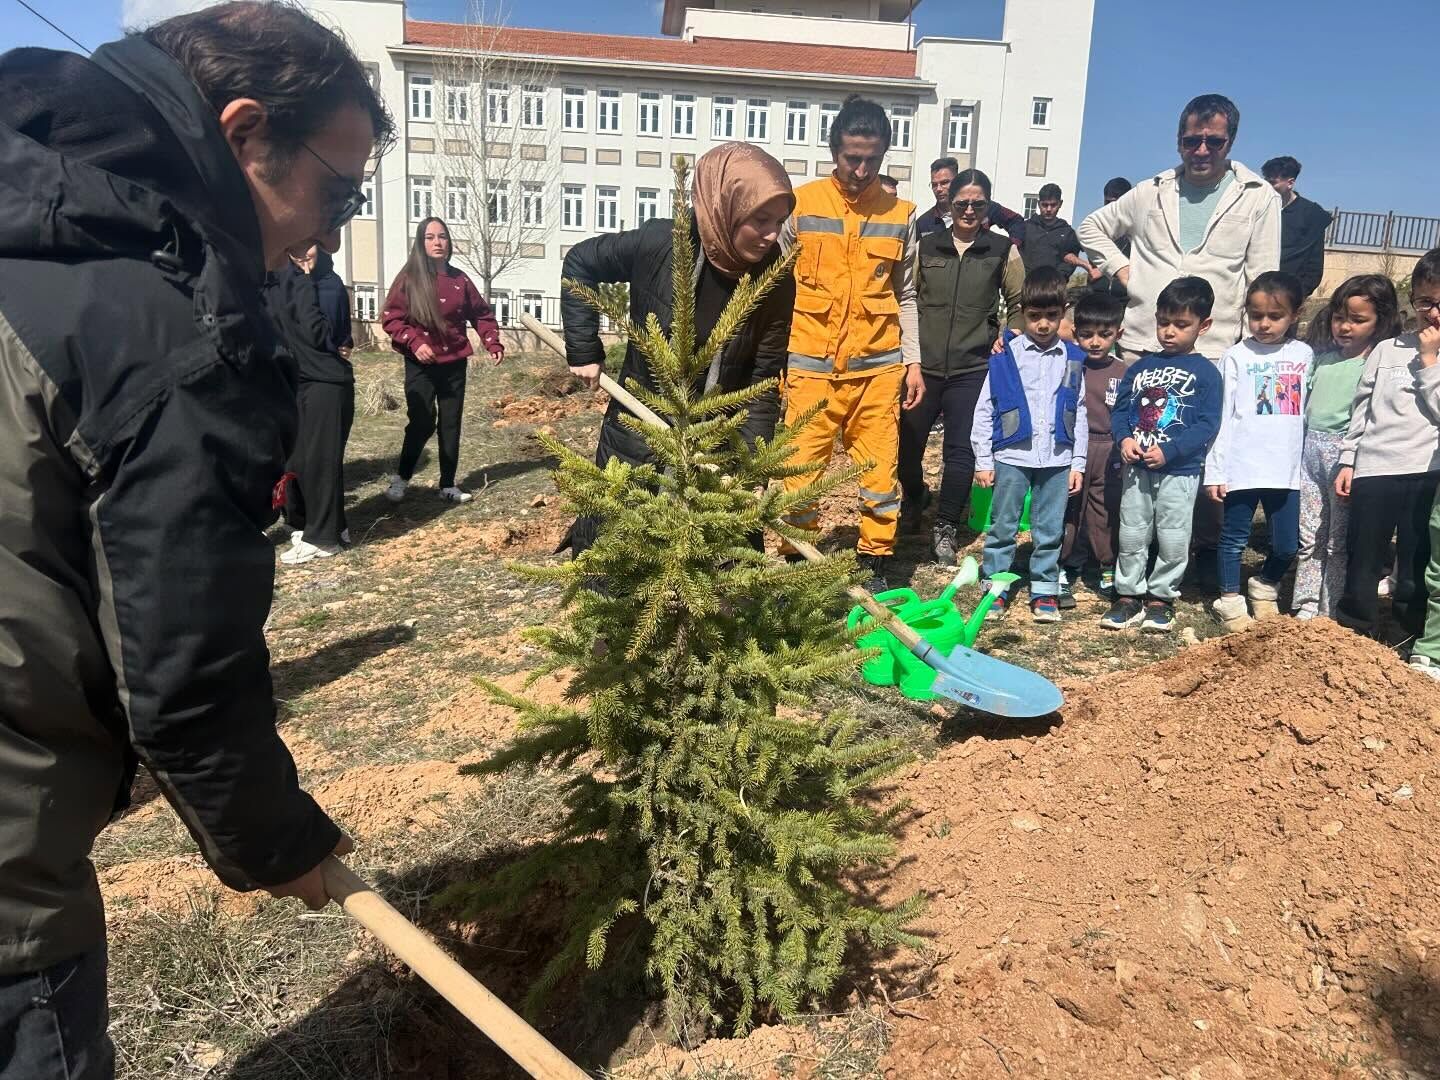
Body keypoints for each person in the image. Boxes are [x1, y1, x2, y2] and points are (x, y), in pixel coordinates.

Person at [0, 3, 391, 1074]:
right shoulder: (163, 322)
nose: (331, 229)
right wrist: (281, 844)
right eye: (339, 190)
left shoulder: (30, 207)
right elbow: (184, 678)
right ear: (243, 132)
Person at [1079, 94, 1281, 587]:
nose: (1202, 149)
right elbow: (1092, 226)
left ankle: (1200, 554)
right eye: (1193, 140)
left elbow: (1264, 277)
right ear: (1179, 140)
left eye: (1214, 140)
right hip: (1146, 342)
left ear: (1230, 141)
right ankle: (1123, 558)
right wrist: (1124, 269)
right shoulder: (1151, 191)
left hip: (1212, 351)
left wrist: (1256, 346)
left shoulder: (1257, 196)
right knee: (1131, 449)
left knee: (1201, 454)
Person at [560, 142, 796, 555]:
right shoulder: (662, 244)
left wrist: (750, 466)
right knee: (614, 556)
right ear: (727, 206)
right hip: (637, 432)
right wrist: (583, 348)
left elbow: (764, 378)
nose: (773, 234)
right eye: (761, 220)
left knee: (726, 574)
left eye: (780, 221)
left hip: (717, 445)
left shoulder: (773, 277)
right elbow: (581, 261)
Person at [779, 95, 924, 591]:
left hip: (878, 370)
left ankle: (875, 563)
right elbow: (776, 285)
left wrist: (915, 364)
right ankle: (798, 562)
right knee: (799, 474)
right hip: (810, 367)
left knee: (881, 474)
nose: (861, 170)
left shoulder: (902, 216)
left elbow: (906, 295)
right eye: (851, 158)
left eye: (872, 160)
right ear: (833, 150)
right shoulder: (799, 205)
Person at [898, 168, 1024, 564]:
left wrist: (1011, 333)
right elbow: (905, 296)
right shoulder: (926, 245)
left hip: (973, 368)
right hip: (923, 365)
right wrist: (907, 356)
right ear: (948, 204)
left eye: (978, 204)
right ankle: (915, 496)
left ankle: (946, 525)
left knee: (961, 452)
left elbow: (1021, 302)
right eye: (962, 203)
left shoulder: (1002, 250)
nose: (969, 210)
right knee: (906, 447)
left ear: (988, 205)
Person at [1100, 277, 1223, 632]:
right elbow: (1121, 411)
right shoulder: (1139, 367)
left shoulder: (1207, 374)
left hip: (1180, 472)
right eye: (1163, 322)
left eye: (1181, 325)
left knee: (1173, 535)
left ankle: (1161, 598)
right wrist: (1123, 439)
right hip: (1136, 469)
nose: (1169, 332)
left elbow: (1206, 424)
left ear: (1205, 326)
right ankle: (1128, 595)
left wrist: (1170, 451)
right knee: (1132, 532)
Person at [1334, 248, 1440, 645]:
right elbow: (1362, 407)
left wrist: (1430, 362)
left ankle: (1404, 633)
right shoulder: (1387, 349)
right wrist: (1349, 460)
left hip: (1426, 471)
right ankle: (1354, 630)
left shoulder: (1432, 355)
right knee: (1363, 555)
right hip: (1375, 469)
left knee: (1414, 558)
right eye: (1425, 301)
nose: (1432, 313)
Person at [971, 266, 1087, 623]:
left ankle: (1045, 590)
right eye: (1034, 316)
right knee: (1003, 524)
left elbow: (1078, 410)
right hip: (1012, 455)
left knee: (1049, 528)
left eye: (1051, 316)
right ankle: (995, 587)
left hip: (1056, 458)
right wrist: (983, 460)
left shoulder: (1072, 358)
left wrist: (1077, 462)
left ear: (1063, 311)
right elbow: (985, 407)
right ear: (1022, 313)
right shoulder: (1006, 355)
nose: (1042, 324)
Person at [1203, 272, 1312, 630]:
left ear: (1295, 315)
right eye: (1256, 314)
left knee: (1286, 546)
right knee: (1233, 539)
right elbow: (1223, 415)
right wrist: (1216, 471)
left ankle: (1265, 586)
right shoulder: (1236, 356)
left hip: (1286, 471)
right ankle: (1230, 600)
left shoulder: (1304, 355)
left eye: (1275, 316)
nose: (1263, 324)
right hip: (1242, 467)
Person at [1291, 276, 1402, 620]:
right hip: (1309, 451)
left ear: (1379, 322)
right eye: (1341, 317)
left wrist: (1350, 461)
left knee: (1336, 540)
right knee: (1309, 535)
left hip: (1344, 455)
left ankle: (1329, 608)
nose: (1346, 327)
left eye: (1358, 320)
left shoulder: (1374, 365)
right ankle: (1306, 604)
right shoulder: (1321, 360)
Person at [381, 217, 504, 505]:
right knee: (423, 420)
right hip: (420, 364)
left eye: (442, 237)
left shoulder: (460, 280)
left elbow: (481, 314)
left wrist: (491, 341)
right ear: (420, 243)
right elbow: (391, 319)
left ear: (449, 242)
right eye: (430, 237)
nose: (437, 242)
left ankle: (448, 484)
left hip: (454, 363)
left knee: (450, 422)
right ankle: (402, 477)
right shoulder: (409, 278)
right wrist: (414, 341)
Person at [275, 245, 356, 565]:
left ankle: (324, 539)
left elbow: (319, 334)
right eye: (294, 244)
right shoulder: (284, 280)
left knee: (320, 462)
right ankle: (324, 525)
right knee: (299, 460)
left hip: (327, 384)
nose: (301, 252)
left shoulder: (328, 284)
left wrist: (305, 283)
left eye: (309, 244)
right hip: (299, 383)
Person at [1059, 292, 1128, 604]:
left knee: (1104, 509)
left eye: (1105, 335)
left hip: (1109, 447)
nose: (1096, 342)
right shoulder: (1069, 365)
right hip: (1073, 447)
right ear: (1075, 334)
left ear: (1118, 333)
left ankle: (1107, 565)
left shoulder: (1125, 371)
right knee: (1069, 508)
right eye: (1087, 335)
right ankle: (1063, 566)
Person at [1262, 156, 1333, 300]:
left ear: (1290, 183)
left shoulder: (1311, 215)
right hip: (1257, 290)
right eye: (1266, 181)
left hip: (1288, 296)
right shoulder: (1258, 209)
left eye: (1273, 182)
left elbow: (1314, 265)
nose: (1267, 187)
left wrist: (1297, 295)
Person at [916, 155, 1026, 246]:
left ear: (956, 181)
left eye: (944, 182)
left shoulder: (982, 206)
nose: (939, 189)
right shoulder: (924, 223)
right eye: (934, 184)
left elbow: (1016, 221)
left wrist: (1011, 249)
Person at [1022, 183, 1098, 283]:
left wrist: (1058, 278)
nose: (1048, 209)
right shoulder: (1026, 227)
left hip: (1055, 288)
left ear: (1060, 204)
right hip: (1027, 285)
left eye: (1053, 205)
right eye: (1045, 205)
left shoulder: (1068, 233)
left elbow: (1084, 251)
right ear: (1038, 203)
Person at [1089, 177, 1132, 300]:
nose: (1111, 208)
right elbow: (1068, 250)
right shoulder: (1094, 227)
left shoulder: (1140, 230)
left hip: (1126, 300)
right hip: (1097, 297)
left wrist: (1104, 270)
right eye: (1108, 203)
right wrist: (1084, 264)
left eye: (1115, 204)